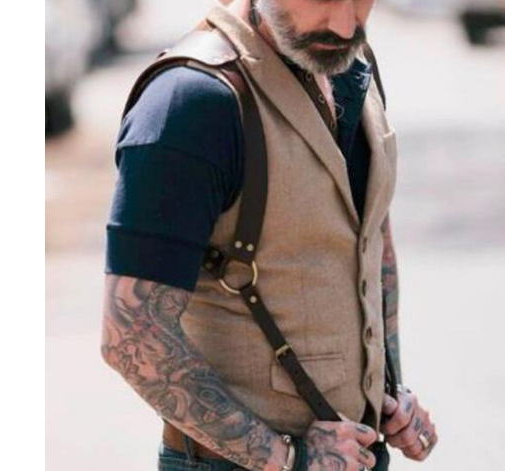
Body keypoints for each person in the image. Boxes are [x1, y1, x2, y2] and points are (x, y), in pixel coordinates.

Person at [101, 1, 438, 470]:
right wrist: (287, 456)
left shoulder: (349, 64)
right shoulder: (190, 101)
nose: (346, 26)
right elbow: (131, 333)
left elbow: (370, 235)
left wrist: (389, 389)